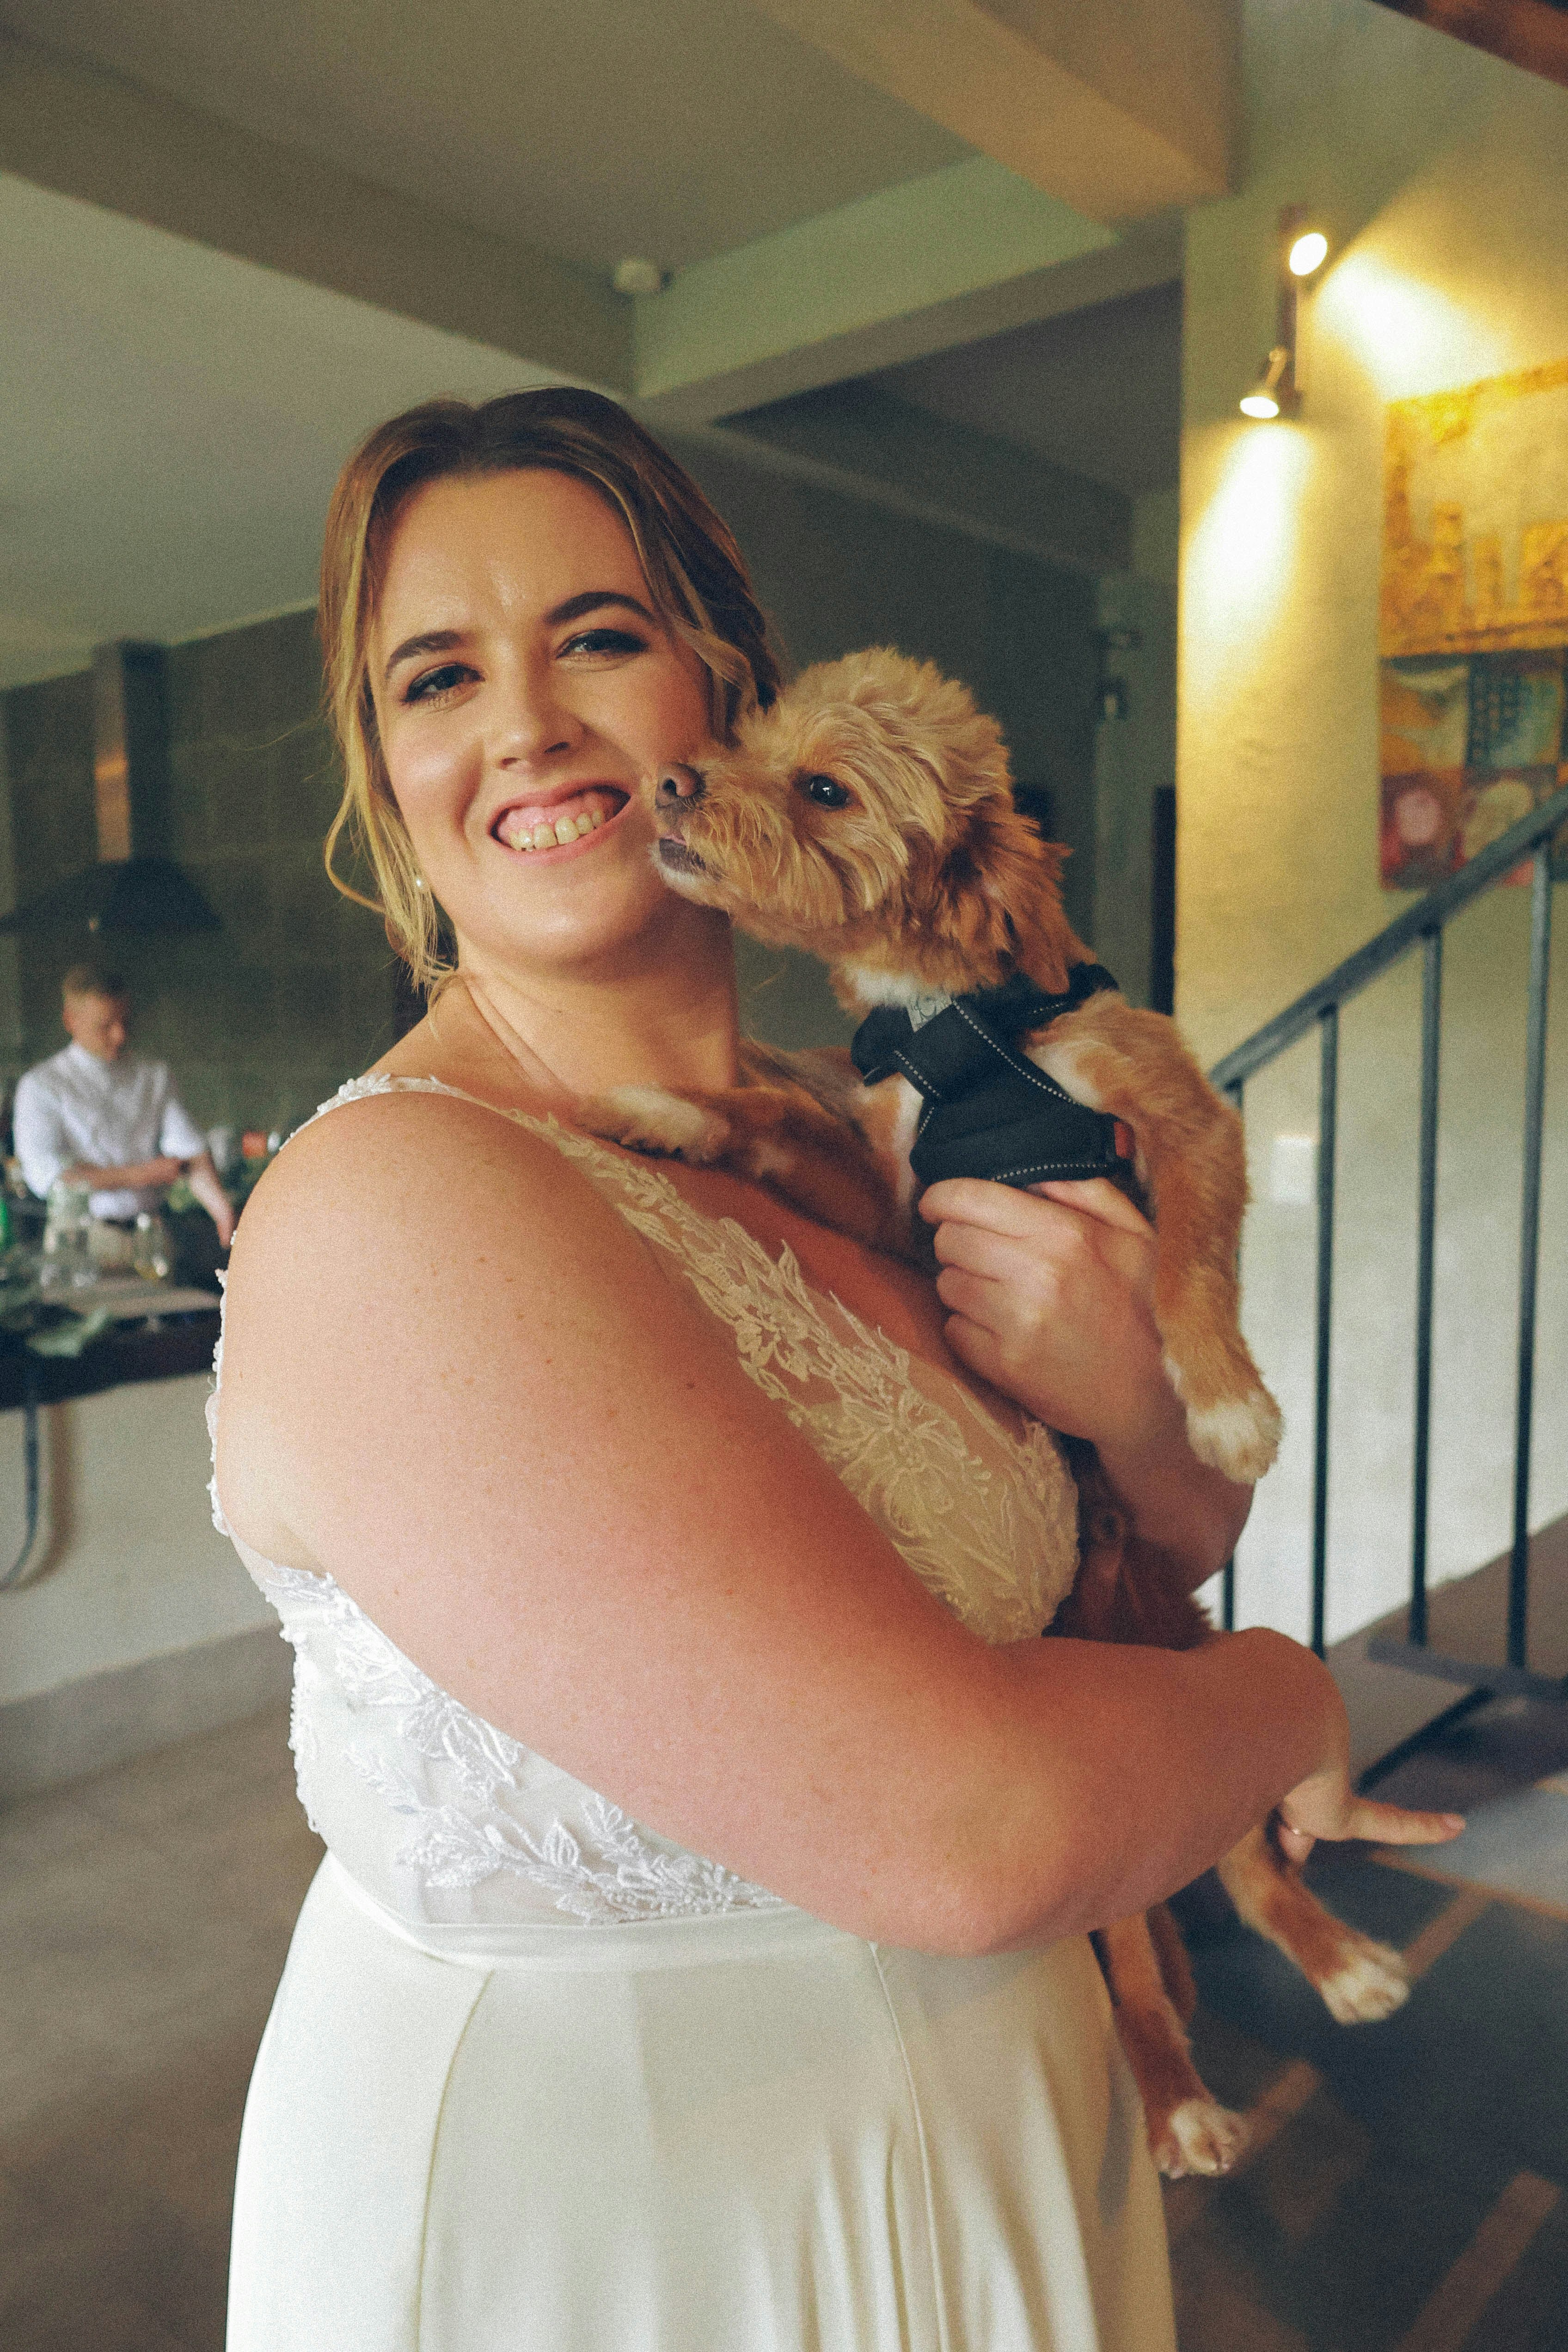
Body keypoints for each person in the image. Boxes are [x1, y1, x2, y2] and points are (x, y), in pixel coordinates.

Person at [213, 391, 1458, 2352]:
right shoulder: (396, 1209)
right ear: (389, 770)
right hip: (626, 2217)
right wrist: (1281, 1692)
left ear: (734, 691)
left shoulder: (869, 1132)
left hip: (1008, 2128)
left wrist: (1124, 1393)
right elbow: (959, 1830)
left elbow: (1158, 1535)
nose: (525, 721)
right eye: (438, 674)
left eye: (596, 637)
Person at [12, 964, 236, 1250]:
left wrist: (222, 1211)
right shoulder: (40, 1085)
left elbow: (191, 1154)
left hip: (152, 1233)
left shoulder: (155, 1075)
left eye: (125, 1022)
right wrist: (145, 1174)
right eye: (105, 1026)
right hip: (83, 1237)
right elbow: (49, 1177)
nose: (119, 1035)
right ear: (71, 1021)